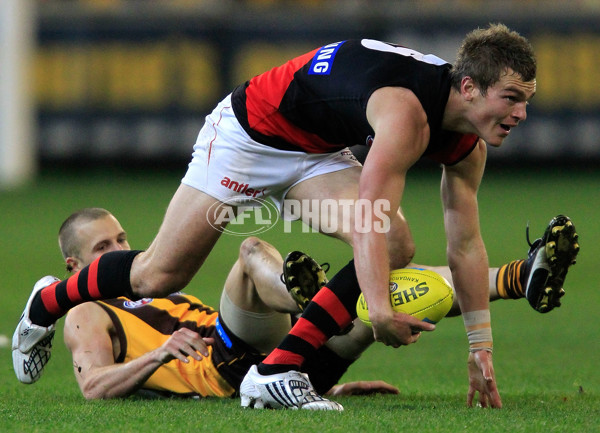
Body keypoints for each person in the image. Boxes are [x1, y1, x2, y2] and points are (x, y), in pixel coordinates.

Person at [12, 23, 578, 410]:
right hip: (249, 134)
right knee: (160, 276)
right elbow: (370, 217)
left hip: (315, 152)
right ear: (470, 86)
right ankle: (47, 301)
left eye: (527, 99)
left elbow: (466, 244)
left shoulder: (467, 142)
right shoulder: (407, 113)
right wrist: (376, 309)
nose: (522, 112)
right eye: (511, 98)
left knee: (398, 242)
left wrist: (481, 348)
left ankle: (275, 371)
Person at [18, 208, 398, 402]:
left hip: (289, 362)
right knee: (250, 251)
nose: (119, 253)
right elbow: (92, 386)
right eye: (103, 249)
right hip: (227, 366)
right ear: (75, 268)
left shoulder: (158, 289)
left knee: (395, 279)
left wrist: (327, 388)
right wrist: (159, 355)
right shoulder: (87, 311)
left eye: (120, 239)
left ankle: (318, 314)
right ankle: (318, 303)